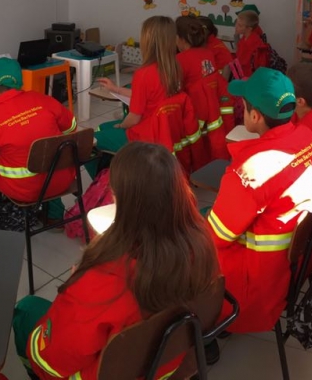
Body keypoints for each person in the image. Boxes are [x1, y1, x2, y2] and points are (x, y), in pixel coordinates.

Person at [12, 142, 220, 380]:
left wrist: (75, 286)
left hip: (104, 373)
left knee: (26, 310)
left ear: (122, 201)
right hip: (168, 366)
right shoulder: (202, 242)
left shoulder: (102, 282)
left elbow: (51, 360)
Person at [206, 67, 312, 335]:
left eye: (244, 103)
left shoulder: (249, 172)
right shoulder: (307, 137)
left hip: (254, 282)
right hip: (288, 268)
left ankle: (206, 332)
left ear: (254, 115)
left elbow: (216, 237)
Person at [0, 57, 77, 228]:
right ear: (21, 81)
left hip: (23, 190)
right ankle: (54, 217)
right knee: (50, 157)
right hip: (63, 180)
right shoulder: (44, 100)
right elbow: (71, 128)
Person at [93, 16, 184, 154]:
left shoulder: (144, 73)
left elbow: (134, 119)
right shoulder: (174, 67)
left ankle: (103, 174)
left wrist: (121, 125)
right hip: (165, 133)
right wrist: (115, 89)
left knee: (92, 139)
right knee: (103, 127)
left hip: (145, 137)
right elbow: (149, 96)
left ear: (147, 41)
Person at [176, 16, 230, 163]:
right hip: (211, 108)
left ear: (181, 39)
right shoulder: (208, 53)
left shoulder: (180, 59)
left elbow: (177, 88)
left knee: (193, 142)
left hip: (193, 110)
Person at [233, 5, 269, 78]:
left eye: (240, 25)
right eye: (236, 23)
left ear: (249, 29)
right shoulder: (245, 37)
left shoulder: (253, 42)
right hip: (243, 74)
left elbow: (244, 63)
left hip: (249, 77)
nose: (236, 26)